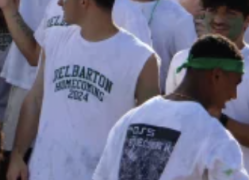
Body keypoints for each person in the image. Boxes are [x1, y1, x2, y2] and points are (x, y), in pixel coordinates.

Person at [7, 0, 159, 180]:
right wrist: (18, 155)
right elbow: (35, 101)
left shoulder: (142, 57)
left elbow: (147, 131)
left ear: (85, 1)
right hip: (44, 172)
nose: (60, 3)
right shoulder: (54, 40)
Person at [95, 35, 249, 180]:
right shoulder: (213, 135)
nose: (233, 95)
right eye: (235, 83)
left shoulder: (130, 119)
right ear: (216, 76)